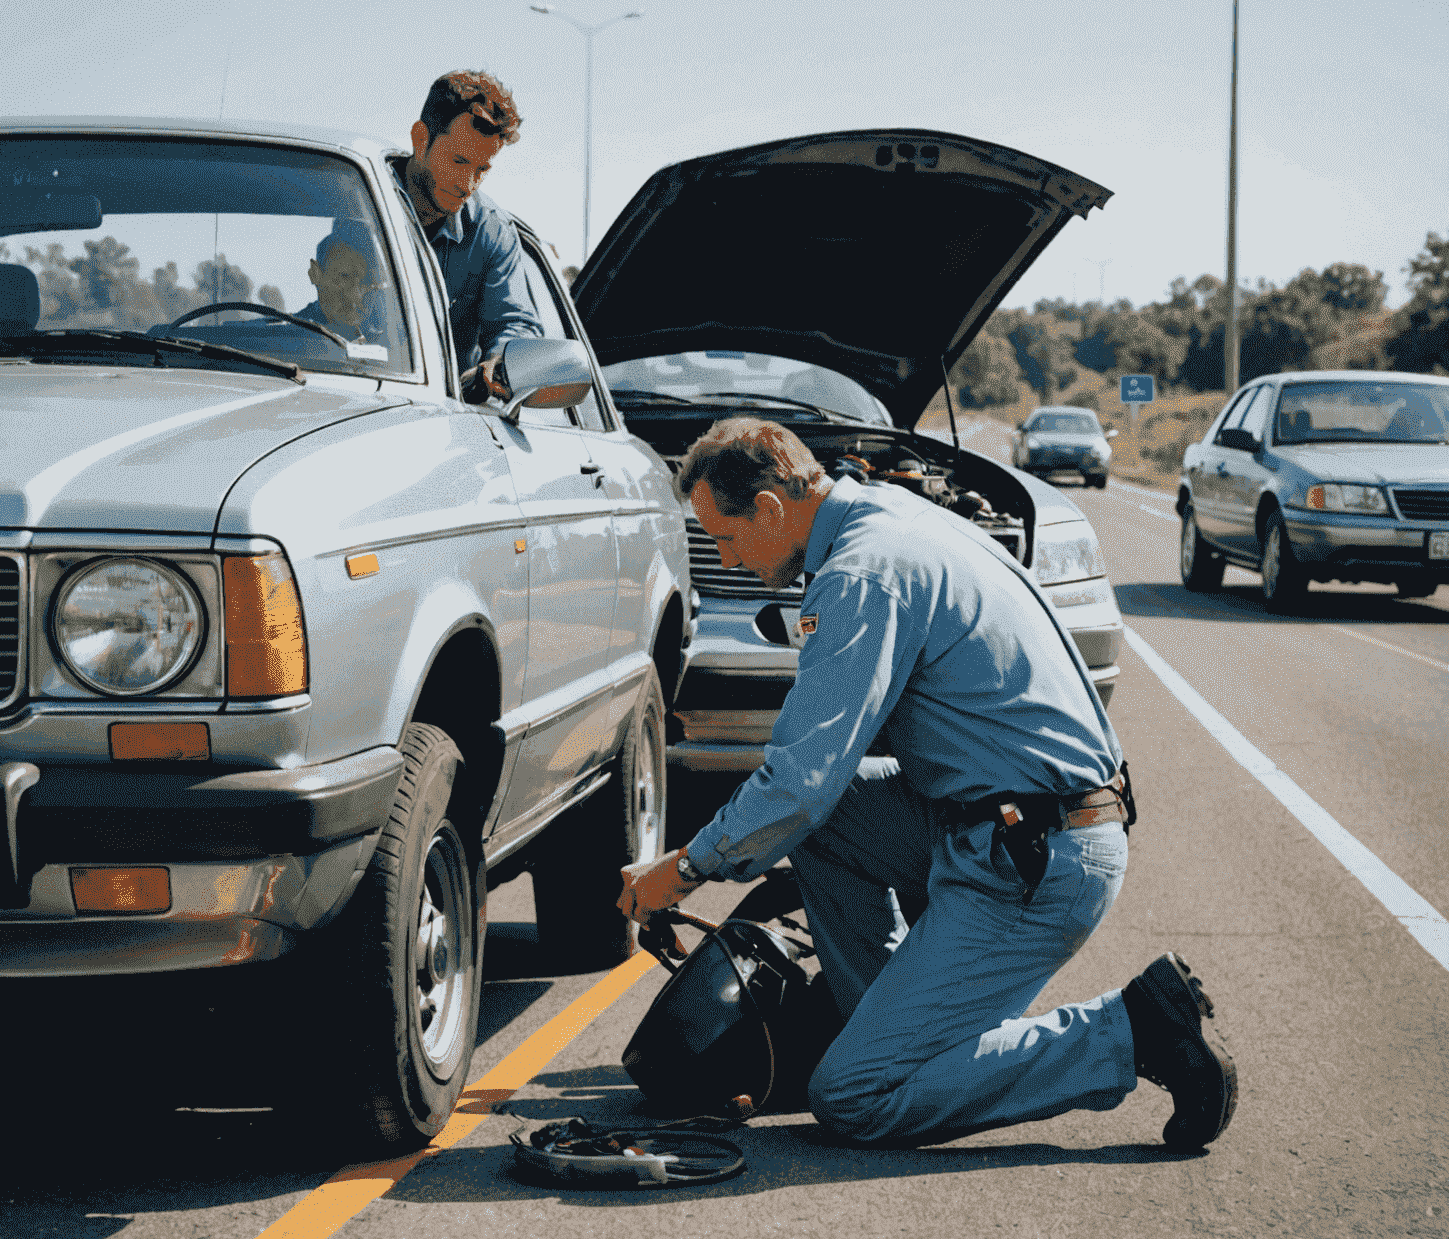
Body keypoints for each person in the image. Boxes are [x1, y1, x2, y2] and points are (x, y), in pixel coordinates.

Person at [618, 418, 1238, 1153]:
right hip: (1014, 827)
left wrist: (684, 870)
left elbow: (802, 779)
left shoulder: (859, 573)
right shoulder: (896, 518)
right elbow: (827, 791)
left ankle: (1130, 1032)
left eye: (724, 540)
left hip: (1037, 862)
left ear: (770, 510)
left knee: (852, 1097)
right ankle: (886, 1026)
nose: (729, 559)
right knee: (832, 822)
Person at [395, 70, 541, 401]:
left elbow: (514, 325)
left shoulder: (491, 233)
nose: (467, 183)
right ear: (421, 140)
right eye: (458, 160)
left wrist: (501, 362)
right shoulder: (362, 200)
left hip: (453, 416)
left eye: (481, 169)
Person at [295, 220, 378, 340]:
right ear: (315, 273)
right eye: (344, 277)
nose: (356, 295)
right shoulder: (283, 338)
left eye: (367, 284)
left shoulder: (395, 347)